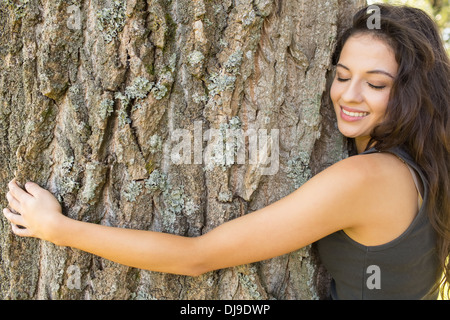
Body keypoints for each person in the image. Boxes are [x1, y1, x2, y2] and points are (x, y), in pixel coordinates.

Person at [3, 4, 449, 299]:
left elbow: (196, 257)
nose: (348, 96)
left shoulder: (368, 179)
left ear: (412, 93)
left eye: (375, 84)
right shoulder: (421, 168)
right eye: (341, 75)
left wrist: (57, 228)